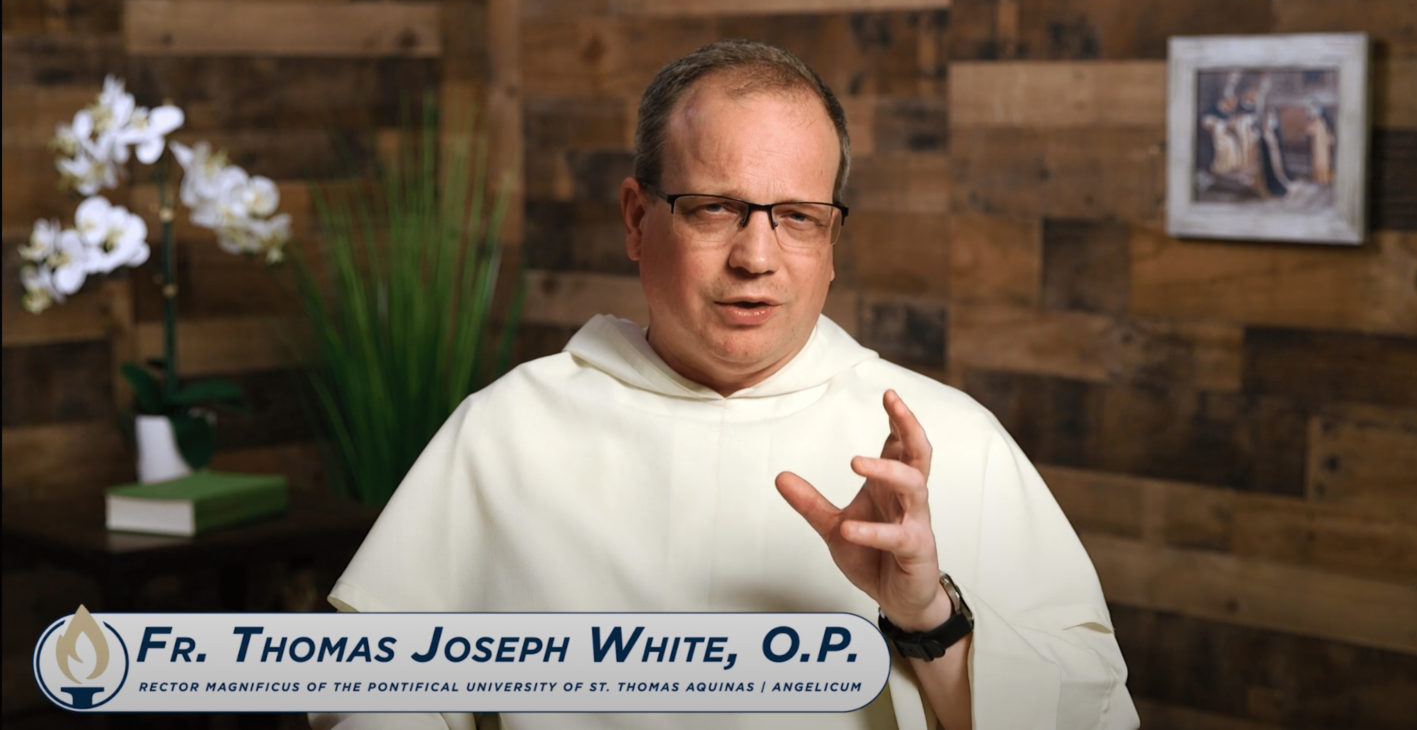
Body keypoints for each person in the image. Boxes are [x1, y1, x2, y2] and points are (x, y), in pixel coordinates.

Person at [312, 40, 1138, 730]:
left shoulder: (952, 443)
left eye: (798, 217)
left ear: (832, 240)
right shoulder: (506, 432)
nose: (757, 256)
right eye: (715, 209)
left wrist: (931, 620)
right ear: (638, 220)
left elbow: (1095, 714)